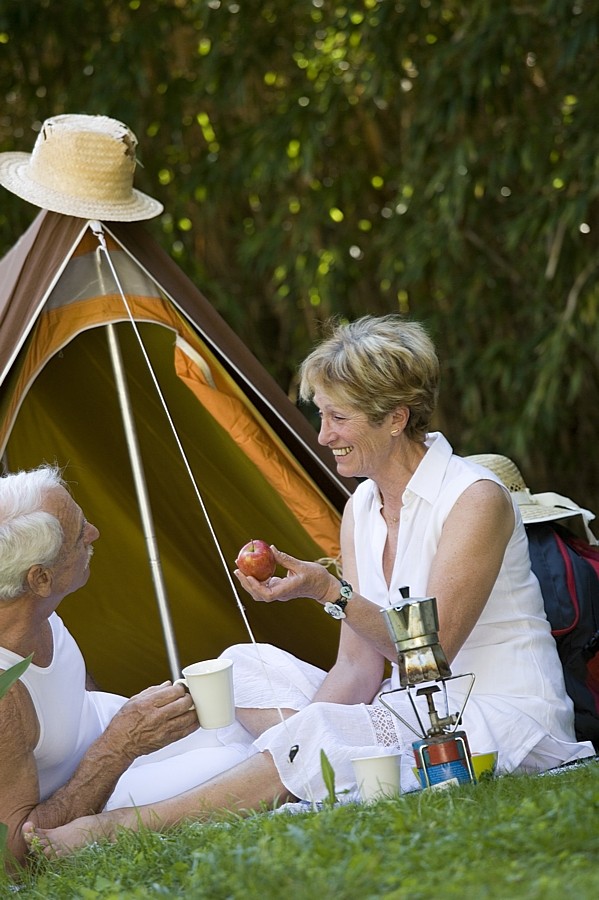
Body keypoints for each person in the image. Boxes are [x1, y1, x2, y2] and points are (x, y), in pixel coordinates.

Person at [23, 314, 595, 858]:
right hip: (408, 708)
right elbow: (357, 669)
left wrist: (331, 593)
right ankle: (261, 778)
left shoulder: (475, 497)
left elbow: (431, 651)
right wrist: (295, 743)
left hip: (498, 718)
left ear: (396, 416)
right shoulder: (363, 507)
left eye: (338, 418)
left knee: (322, 731)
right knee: (246, 665)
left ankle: (121, 826)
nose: (323, 436)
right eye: (321, 415)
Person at [0, 466, 253, 868]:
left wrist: (132, 723)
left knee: (252, 665)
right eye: (79, 530)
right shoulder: (5, 695)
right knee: (240, 759)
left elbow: (68, 691)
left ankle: (311, 741)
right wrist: (120, 746)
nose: (95, 532)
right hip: (96, 788)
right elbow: (13, 856)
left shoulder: (36, 609)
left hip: (121, 742)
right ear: (40, 578)